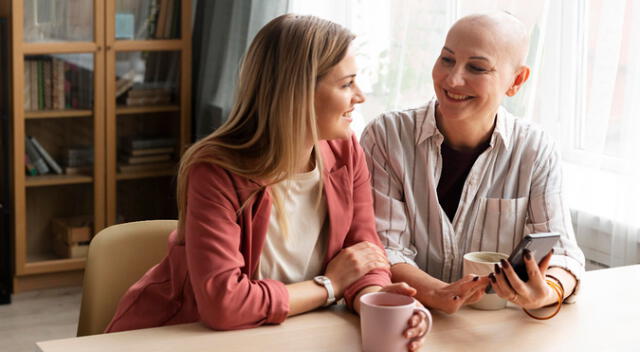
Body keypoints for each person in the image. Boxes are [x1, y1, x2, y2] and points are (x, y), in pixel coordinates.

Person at [106, 14, 427, 351]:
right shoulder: (215, 171)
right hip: (180, 337)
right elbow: (224, 305)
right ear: (298, 92)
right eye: (346, 84)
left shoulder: (347, 152)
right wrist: (329, 285)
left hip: (285, 334)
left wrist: (374, 300)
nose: (359, 96)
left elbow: (364, 253)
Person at [360, 12, 585, 315]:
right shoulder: (386, 136)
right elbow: (382, 248)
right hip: (410, 317)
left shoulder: (535, 149)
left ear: (516, 81)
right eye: (446, 60)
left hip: (493, 330)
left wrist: (546, 292)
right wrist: (438, 292)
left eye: (477, 67)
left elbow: (565, 256)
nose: (452, 80)